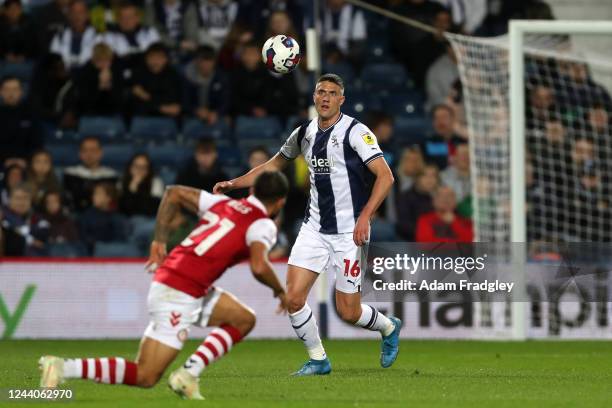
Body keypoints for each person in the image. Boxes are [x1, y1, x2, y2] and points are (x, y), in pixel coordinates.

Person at [39, 171, 290, 400]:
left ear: (252, 192)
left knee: (243, 319)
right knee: (145, 376)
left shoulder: (223, 203)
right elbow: (259, 265)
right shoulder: (263, 224)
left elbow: (173, 192)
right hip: (179, 293)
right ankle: (62, 367)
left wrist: (159, 241)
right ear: (280, 202)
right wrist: (280, 291)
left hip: (180, 281)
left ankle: (188, 375)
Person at [214, 73, 401, 376]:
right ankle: (318, 359)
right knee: (294, 298)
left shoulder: (356, 131)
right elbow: (273, 165)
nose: (325, 97)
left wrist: (365, 215)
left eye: (332, 93)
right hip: (313, 228)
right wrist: (234, 183)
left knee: (348, 312)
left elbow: (386, 175)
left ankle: (389, 326)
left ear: (342, 99)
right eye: (320, 92)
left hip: (348, 233)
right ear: (314, 97)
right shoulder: (304, 134)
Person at [63, 136, 119, 212]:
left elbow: (113, 201)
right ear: (80, 153)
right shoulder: (70, 174)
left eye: (93, 150)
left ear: (100, 153)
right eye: (85, 150)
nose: (89, 154)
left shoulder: (111, 175)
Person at [130, 42, 182, 118]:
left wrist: (146, 96)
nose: (155, 61)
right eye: (151, 57)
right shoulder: (138, 74)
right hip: (143, 118)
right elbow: (136, 103)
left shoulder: (173, 75)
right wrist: (161, 108)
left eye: (159, 58)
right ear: (146, 59)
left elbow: (172, 100)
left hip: (168, 119)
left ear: (166, 59)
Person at [0, 76, 43, 167]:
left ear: (21, 92)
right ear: (1, 92)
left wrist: (25, 160)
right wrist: (5, 160)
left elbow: (37, 143)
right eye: (7, 89)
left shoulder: (31, 114)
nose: (11, 93)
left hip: (27, 163)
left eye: (15, 89)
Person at [75, 42, 126, 116]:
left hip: (114, 114)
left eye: (107, 60)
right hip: (90, 114)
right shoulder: (85, 72)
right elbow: (84, 101)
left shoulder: (116, 71)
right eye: (100, 61)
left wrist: (109, 85)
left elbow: (120, 99)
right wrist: (100, 85)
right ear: (93, 60)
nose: (104, 64)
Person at [183, 45, 230, 124]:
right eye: (203, 61)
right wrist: (197, 111)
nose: (206, 64)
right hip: (192, 116)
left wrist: (216, 113)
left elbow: (226, 101)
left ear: (214, 62)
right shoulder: (187, 77)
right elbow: (185, 102)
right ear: (196, 61)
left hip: (216, 116)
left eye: (209, 61)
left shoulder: (222, 77)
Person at [78, 182, 129, 254]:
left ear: (108, 198)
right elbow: (84, 237)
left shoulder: (118, 218)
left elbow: (120, 239)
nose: (94, 196)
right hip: (93, 251)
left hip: (114, 251)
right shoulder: (87, 216)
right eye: (94, 194)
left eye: (98, 194)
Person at [49, 0, 101, 69]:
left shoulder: (97, 36)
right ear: (68, 15)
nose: (77, 16)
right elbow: (53, 62)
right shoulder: (59, 36)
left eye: (80, 12)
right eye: (73, 13)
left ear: (87, 15)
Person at [1, 184, 50, 256]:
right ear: (10, 200)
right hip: (10, 262)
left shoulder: (38, 217)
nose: (21, 202)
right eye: (18, 198)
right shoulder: (3, 217)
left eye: (25, 198)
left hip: (38, 263)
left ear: (30, 200)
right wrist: (31, 240)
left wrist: (20, 231)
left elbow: (44, 232)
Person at [119, 153, 165, 217]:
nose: (140, 170)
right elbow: (123, 208)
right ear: (130, 167)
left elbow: (155, 207)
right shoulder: (122, 181)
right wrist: (133, 187)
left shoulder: (155, 182)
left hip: (147, 218)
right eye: (137, 166)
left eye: (144, 167)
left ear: (148, 170)